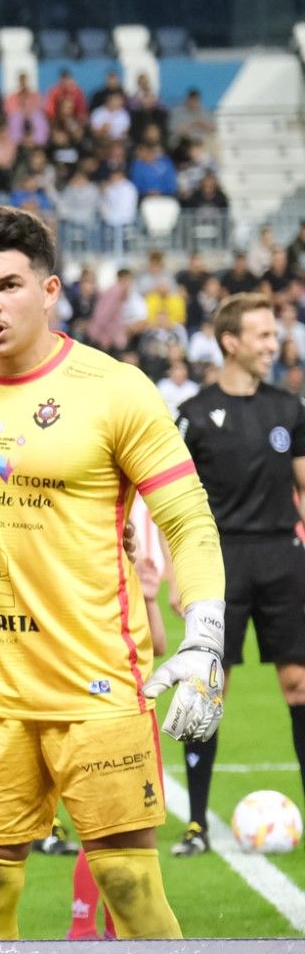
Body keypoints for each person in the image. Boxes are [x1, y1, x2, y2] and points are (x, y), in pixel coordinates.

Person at [0, 206, 225, 942]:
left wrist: (206, 634)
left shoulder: (115, 388)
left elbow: (188, 516)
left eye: (8, 285)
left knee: (128, 880)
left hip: (96, 678)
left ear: (50, 288)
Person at [171, 292, 305, 854]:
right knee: (208, 690)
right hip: (217, 563)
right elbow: (171, 498)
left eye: (275, 336)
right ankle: (198, 823)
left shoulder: (288, 407)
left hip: (282, 558)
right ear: (232, 341)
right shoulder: (194, 414)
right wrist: (181, 574)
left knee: (298, 685)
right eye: (264, 336)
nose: (274, 346)